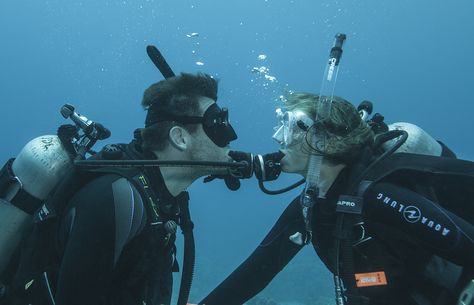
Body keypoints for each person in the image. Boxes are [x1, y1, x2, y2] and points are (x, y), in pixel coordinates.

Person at [199, 92, 474, 305]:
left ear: (324, 139)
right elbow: (256, 273)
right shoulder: (310, 207)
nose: (278, 136)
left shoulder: (377, 197)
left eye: (294, 127)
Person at [2, 72, 238, 305]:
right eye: (218, 124)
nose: (231, 135)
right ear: (180, 137)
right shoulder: (119, 200)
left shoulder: (158, 195)